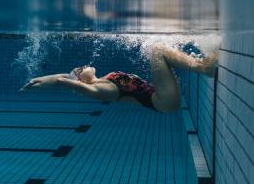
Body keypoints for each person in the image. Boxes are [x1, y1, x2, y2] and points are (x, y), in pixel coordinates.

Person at [19, 42, 219, 113]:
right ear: (81, 81)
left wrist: (38, 79)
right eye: (81, 69)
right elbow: (63, 81)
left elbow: (62, 76)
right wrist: (57, 82)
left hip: (161, 96)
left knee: (158, 49)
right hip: (163, 101)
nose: (84, 65)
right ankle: (203, 68)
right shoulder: (98, 90)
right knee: (157, 49)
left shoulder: (103, 79)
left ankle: (202, 62)